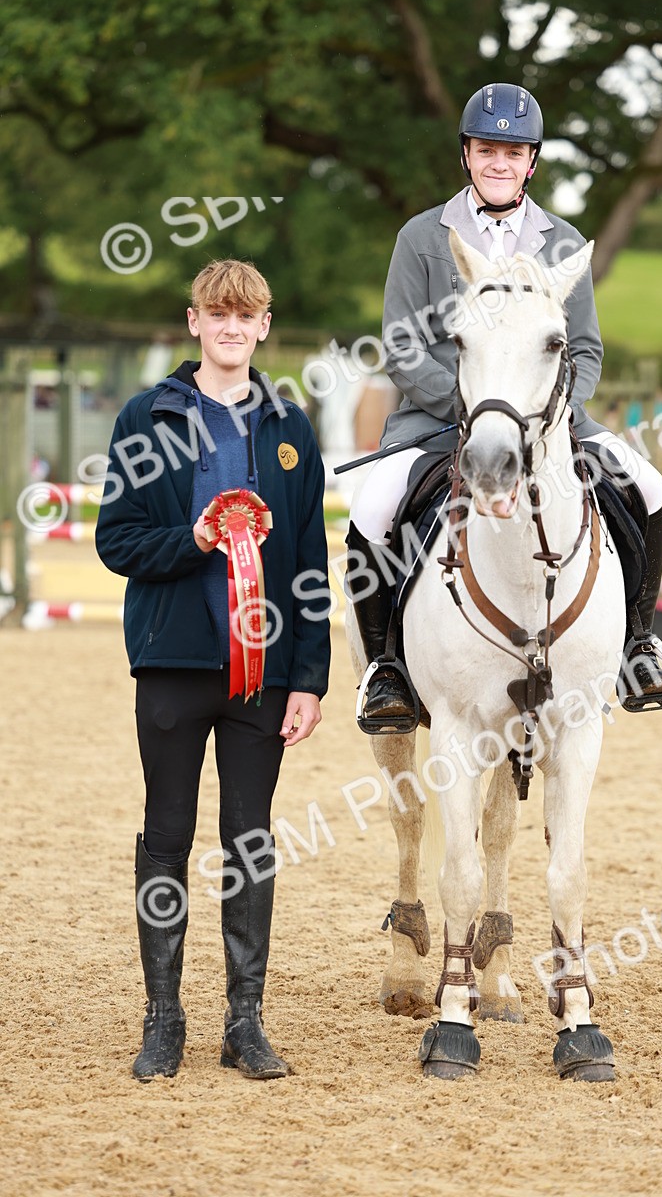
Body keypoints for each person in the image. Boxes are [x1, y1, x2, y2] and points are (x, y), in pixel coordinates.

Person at [348, 81, 662, 727]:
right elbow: (402, 345)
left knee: (649, 484)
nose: (499, 163)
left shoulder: (562, 241)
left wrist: (550, 417)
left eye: (513, 152)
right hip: (440, 422)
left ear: (532, 162)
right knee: (372, 507)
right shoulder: (421, 237)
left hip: (549, 423)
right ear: (466, 155)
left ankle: (639, 642)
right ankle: (385, 666)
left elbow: (583, 349)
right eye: (486, 149)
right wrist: (474, 412)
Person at [96, 259, 331, 1081]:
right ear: (193, 322)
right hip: (170, 659)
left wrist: (311, 677)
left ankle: (246, 1021)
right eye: (216, 314)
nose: (231, 328)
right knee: (166, 836)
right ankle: (164, 1021)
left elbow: (309, 563)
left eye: (246, 316)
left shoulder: (293, 429)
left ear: (264, 327)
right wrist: (192, 541)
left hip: (261, 673)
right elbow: (115, 540)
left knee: (251, 840)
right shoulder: (143, 417)